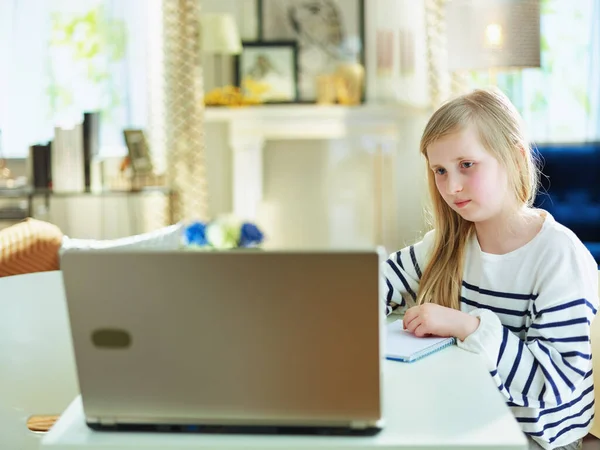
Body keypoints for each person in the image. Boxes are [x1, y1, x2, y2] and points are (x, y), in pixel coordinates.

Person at [382, 88, 598, 450]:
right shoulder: (447, 244)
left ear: (513, 158)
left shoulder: (559, 256)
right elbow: (378, 282)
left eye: (466, 164)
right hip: (463, 422)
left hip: (535, 440)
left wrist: (468, 326)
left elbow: (552, 383)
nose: (451, 187)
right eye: (440, 170)